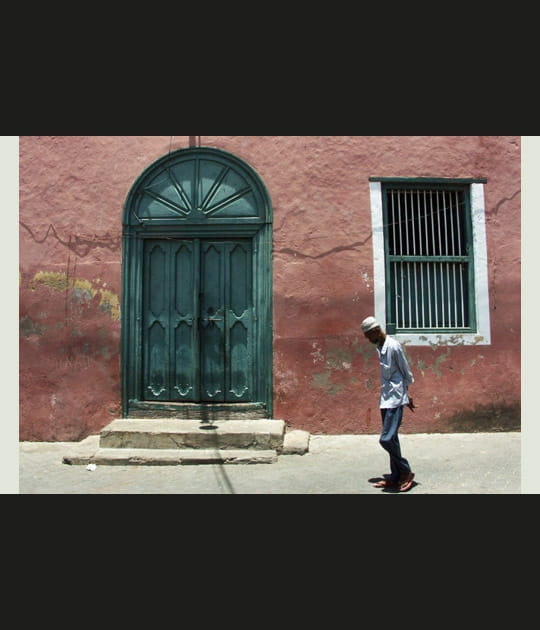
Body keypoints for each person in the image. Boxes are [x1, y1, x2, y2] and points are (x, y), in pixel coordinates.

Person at [361, 316, 416, 492]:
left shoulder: (393, 346)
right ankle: (395, 476)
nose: (367, 339)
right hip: (386, 398)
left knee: (385, 439)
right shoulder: (380, 347)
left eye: (368, 335)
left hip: (396, 398)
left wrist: (408, 396)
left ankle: (406, 471)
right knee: (392, 438)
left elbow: (405, 371)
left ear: (376, 331)